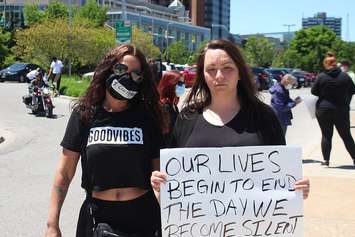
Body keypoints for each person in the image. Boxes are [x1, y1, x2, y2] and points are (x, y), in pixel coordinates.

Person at [151, 39, 310, 199]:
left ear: (240, 72)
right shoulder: (188, 117)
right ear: (203, 75)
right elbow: (174, 186)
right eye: (211, 69)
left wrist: (296, 190)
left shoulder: (264, 116)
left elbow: (282, 179)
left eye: (227, 68)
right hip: (200, 222)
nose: (219, 76)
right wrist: (161, 190)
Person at [44, 44, 167, 237]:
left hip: (143, 218)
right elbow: (64, 173)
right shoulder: (84, 114)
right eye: (120, 69)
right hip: (97, 218)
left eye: (136, 74)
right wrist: (52, 224)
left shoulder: (147, 118)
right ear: (106, 70)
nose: (127, 77)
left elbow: (160, 175)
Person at [311, 52, 355, 167]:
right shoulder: (345, 76)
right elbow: (352, 90)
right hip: (341, 109)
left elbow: (313, 91)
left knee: (326, 135)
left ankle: (326, 161)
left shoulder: (321, 76)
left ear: (326, 64)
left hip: (323, 109)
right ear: (335, 64)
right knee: (346, 135)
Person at [158, 70, 185, 143]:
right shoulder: (164, 106)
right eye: (179, 83)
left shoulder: (174, 105)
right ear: (170, 85)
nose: (183, 86)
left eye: (183, 83)